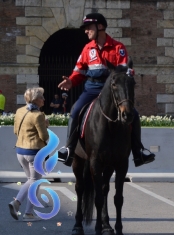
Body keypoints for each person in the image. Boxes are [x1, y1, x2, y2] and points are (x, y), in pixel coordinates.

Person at [57, 13, 155, 167]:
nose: (86, 31)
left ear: (100, 27)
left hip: (112, 92)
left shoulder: (118, 48)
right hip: (92, 89)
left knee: (134, 114)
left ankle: (139, 152)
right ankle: (68, 149)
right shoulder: (87, 49)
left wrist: (129, 73)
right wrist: (71, 81)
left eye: (88, 28)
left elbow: (125, 69)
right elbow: (79, 71)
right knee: (75, 110)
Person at [8, 87, 49, 221]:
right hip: (34, 153)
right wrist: (45, 125)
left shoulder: (19, 111)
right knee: (34, 181)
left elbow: (15, 131)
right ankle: (18, 203)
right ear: (36, 100)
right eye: (42, 97)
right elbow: (44, 136)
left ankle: (29, 213)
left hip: (20, 151)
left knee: (32, 181)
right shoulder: (38, 115)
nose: (44, 99)